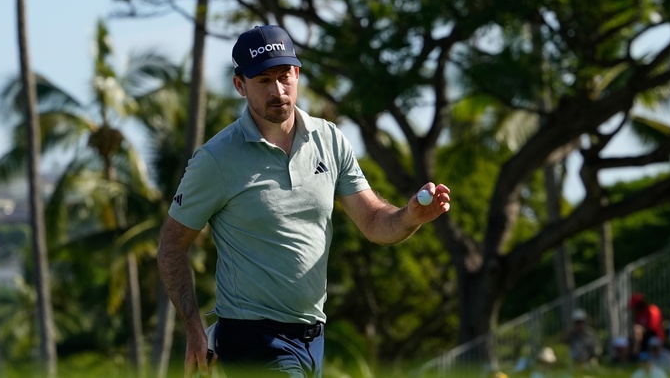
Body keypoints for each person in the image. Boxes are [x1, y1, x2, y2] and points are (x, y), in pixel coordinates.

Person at [156, 25, 451, 378]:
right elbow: (172, 245)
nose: (278, 90)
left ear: (297, 74)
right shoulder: (216, 159)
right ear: (240, 85)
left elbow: (373, 222)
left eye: (285, 76)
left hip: (313, 338)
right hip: (251, 338)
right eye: (264, 80)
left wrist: (410, 216)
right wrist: (192, 328)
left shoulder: (329, 140)